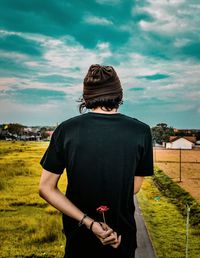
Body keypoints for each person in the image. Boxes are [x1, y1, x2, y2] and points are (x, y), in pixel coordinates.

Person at [39, 64, 153, 258]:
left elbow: (46, 188)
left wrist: (90, 223)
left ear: (86, 97)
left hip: (79, 237)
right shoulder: (141, 131)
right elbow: (133, 187)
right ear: (119, 94)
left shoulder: (66, 130)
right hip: (121, 238)